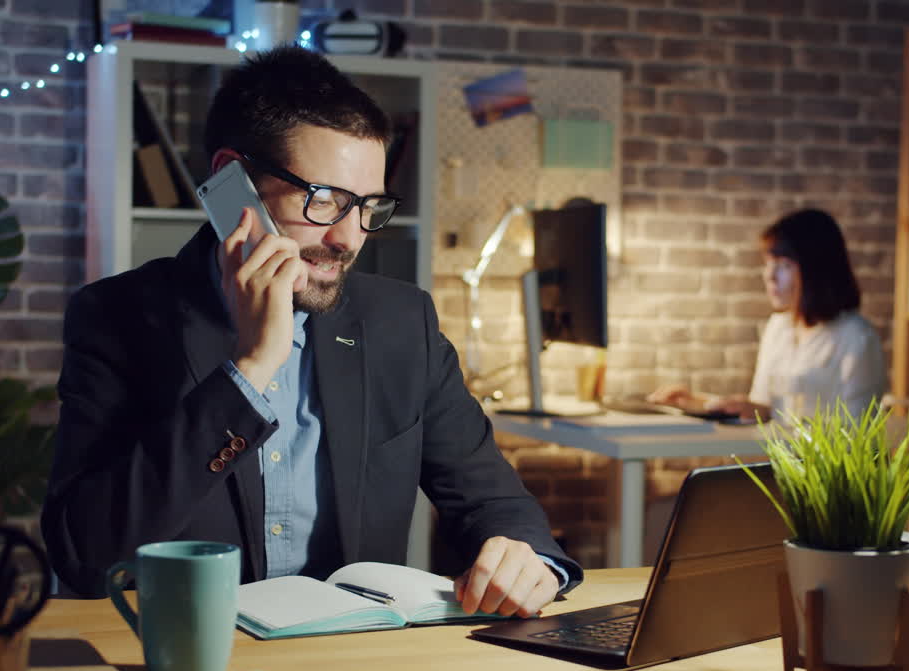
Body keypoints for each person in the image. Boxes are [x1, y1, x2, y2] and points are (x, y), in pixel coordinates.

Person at [41, 47, 582, 615]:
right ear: (233, 183)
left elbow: (493, 499)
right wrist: (248, 371)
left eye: (369, 206)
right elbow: (84, 554)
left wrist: (528, 559)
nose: (350, 239)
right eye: (325, 201)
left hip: (354, 667)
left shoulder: (401, 323)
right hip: (189, 662)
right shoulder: (117, 317)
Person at [649, 208, 887, 423]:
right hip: (779, 466)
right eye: (768, 263)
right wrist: (697, 403)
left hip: (827, 471)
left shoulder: (856, 336)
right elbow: (762, 407)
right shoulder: (779, 327)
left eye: (784, 265)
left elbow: (858, 432)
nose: (769, 276)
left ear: (816, 269)